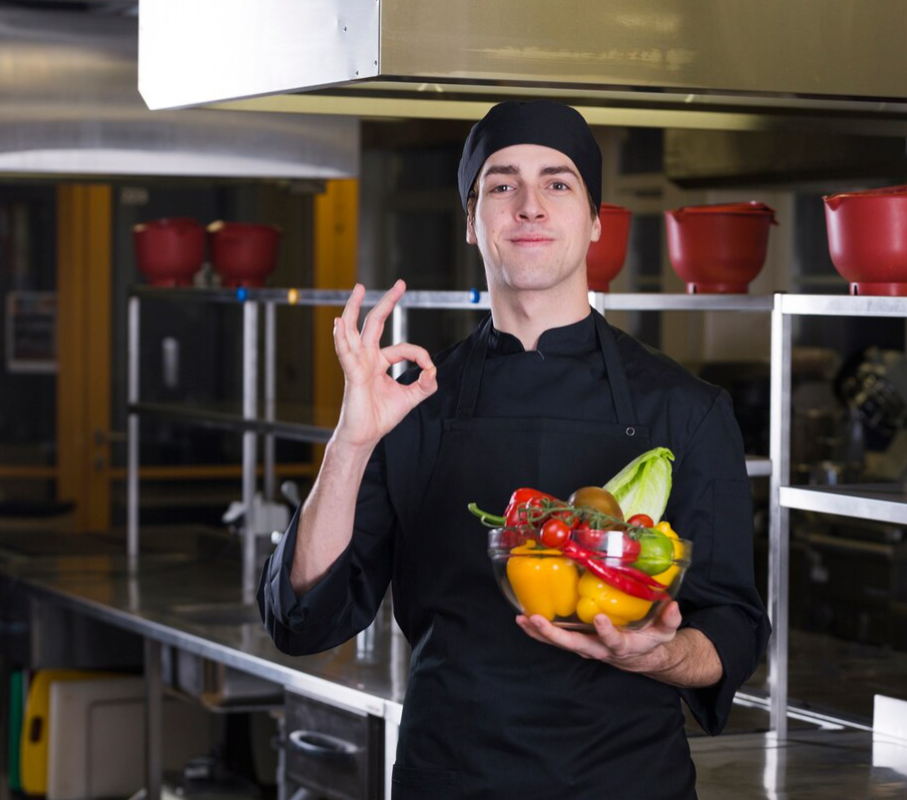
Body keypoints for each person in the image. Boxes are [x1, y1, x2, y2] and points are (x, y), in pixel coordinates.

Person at [259, 100, 770, 800]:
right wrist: (351, 441)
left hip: (626, 782)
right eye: (502, 184)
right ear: (472, 221)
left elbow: (732, 627)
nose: (530, 205)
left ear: (595, 219)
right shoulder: (410, 404)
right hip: (451, 780)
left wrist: (657, 655)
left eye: (557, 182)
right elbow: (303, 620)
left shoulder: (685, 408)